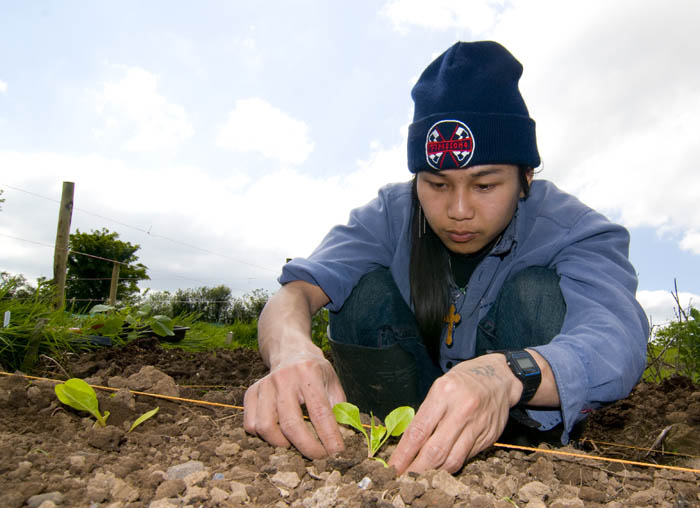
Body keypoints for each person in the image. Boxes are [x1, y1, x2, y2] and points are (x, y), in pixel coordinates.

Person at [243, 41, 649, 474]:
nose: (458, 210)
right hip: (403, 415)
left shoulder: (574, 230)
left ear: (526, 176)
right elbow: (295, 293)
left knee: (539, 295)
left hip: (514, 420)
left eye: (485, 185)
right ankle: (392, 447)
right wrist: (290, 351)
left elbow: (616, 340)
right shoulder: (389, 213)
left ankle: (526, 454)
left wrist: (507, 374)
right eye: (437, 185)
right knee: (360, 293)